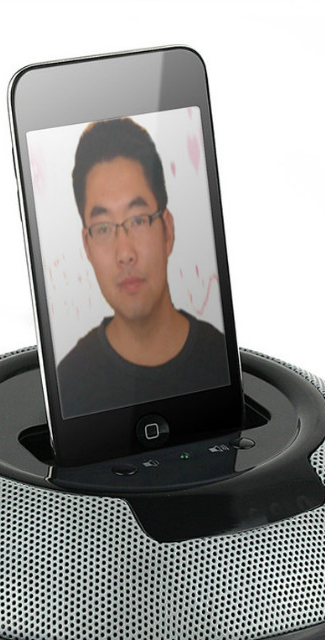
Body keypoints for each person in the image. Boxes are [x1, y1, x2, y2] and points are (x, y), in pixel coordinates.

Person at [58, 117, 229, 418]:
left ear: (167, 230)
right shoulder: (67, 385)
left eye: (138, 220)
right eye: (103, 228)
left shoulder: (223, 361)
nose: (125, 253)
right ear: (87, 246)